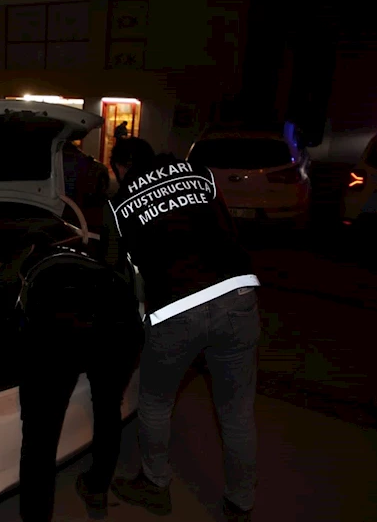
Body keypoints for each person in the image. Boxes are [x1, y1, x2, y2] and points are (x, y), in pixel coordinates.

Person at [101, 138, 261, 521]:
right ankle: (241, 504)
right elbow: (228, 229)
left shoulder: (119, 203)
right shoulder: (200, 174)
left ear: (121, 167)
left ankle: (155, 485)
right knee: (237, 411)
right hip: (239, 292)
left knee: (155, 401)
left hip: (177, 308)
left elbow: (113, 270)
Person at [17, 179, 143, 520]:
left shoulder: (27, 271)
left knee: (40, 440)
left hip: (64, 331)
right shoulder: (85, 250)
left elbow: (17, 322)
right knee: (107, 407)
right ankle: (97, 488)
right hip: (120, 322)